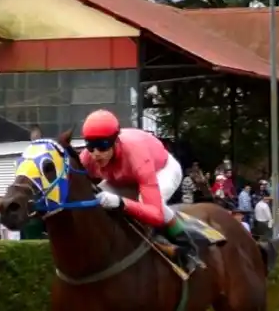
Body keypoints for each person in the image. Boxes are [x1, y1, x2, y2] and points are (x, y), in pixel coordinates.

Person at [78, 109, 204, 275]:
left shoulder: (137, 155)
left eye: (102, 146)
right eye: (90, 146)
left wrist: (120, 202)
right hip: (124, 176)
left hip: (161, 169)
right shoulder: (87, 157)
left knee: (145, 202)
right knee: (96, 199)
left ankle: (187, 248)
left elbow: (156, 214)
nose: (96, 154)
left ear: (115, 141)